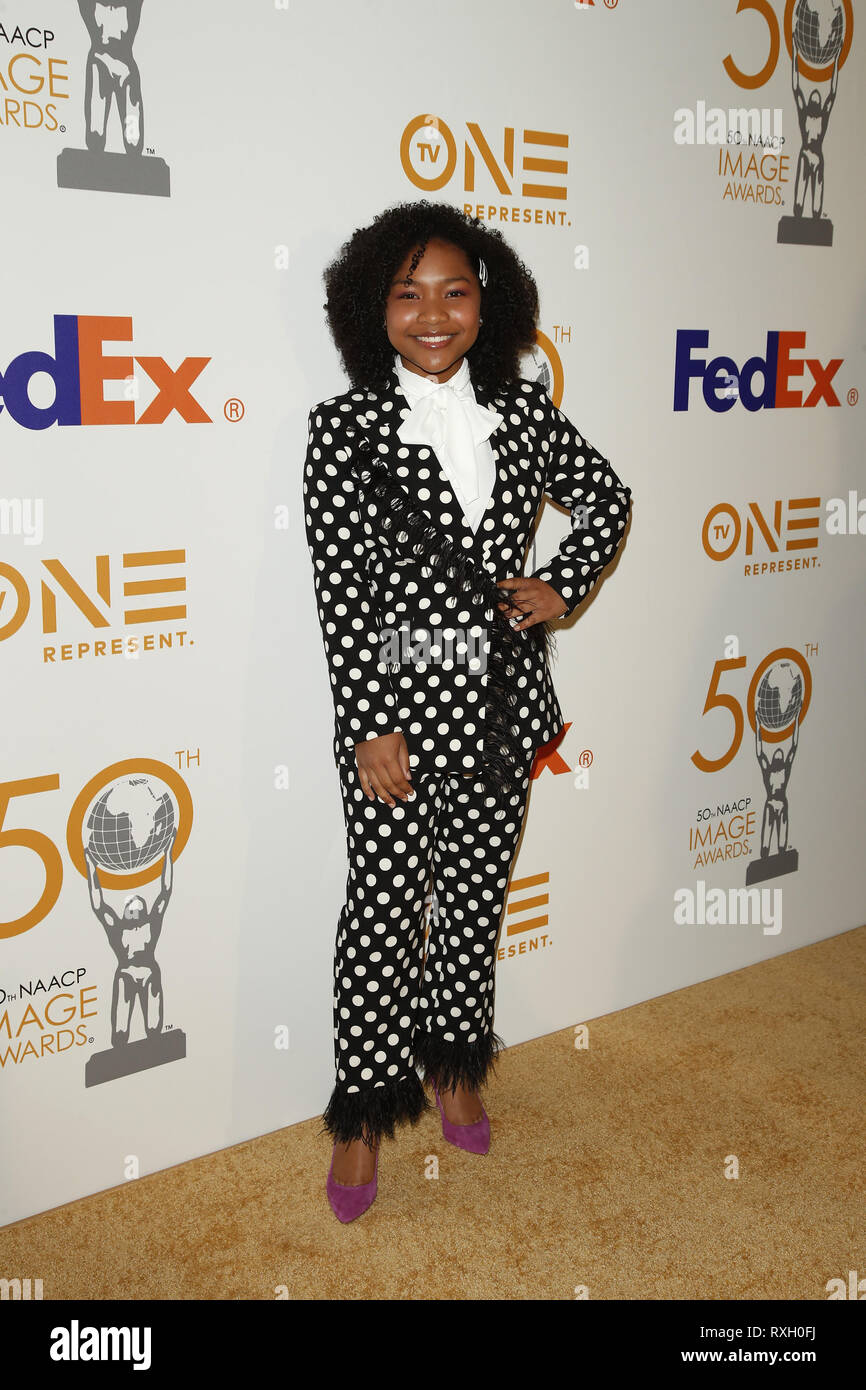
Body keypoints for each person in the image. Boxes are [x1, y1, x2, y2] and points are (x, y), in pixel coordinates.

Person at [302, 200, 632, 1221]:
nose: (432, 313)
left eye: (453, 291)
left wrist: (558, 584)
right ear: (375, 308)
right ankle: (359, 1112)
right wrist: (370, 724)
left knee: (473, 905)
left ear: (485, 305)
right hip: (397, 717)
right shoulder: (344, 430)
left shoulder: (527, 413)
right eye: (408, 294)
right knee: (383, 914)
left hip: (500, 709)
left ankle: (452, 1064)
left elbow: (607, 498)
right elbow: (342, 592)